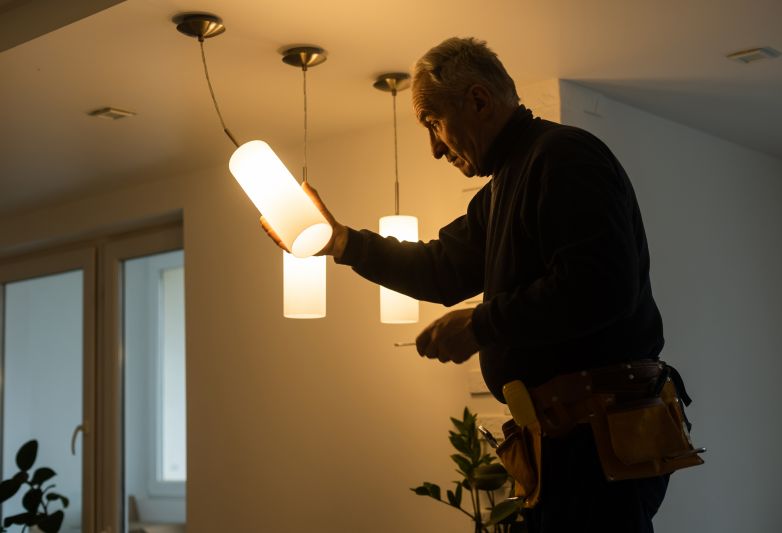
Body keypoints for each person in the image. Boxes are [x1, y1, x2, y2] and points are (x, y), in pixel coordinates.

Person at [261, 37, 671, 532]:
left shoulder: (564, 156)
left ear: (478, 100)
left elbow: (599, 285)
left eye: (433, 123)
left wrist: (480, 324)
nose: (434, 147)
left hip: (596, 442)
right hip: (569, 442)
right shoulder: (504, 186)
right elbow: (442, 267)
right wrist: (343, 242)